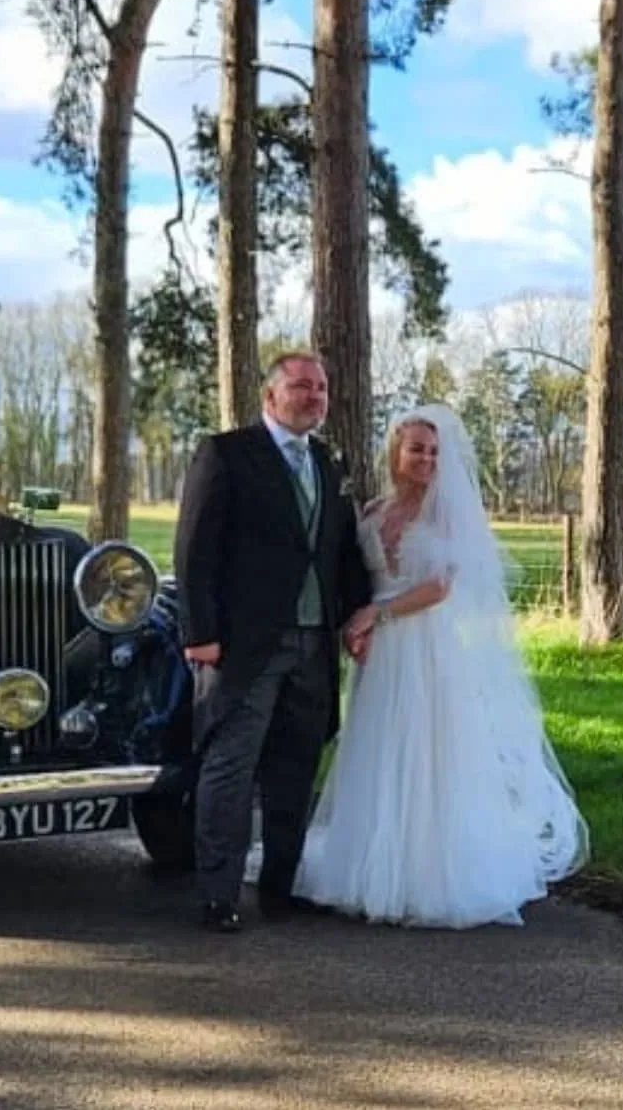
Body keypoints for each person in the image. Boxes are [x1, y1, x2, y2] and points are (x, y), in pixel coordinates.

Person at [293, 404, 589, 927]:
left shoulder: (447, 512)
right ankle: (370, 864)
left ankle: (427, 871)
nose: (426, 459)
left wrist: (376, 615)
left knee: (427, 749)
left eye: (434, 452)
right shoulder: (372, 510)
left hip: (426, 644)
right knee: (379, 747)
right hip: (379, 650)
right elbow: (356, 577)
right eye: (416, 449)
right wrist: (355, 625)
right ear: (395, 452)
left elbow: (439, 587)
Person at [174, 351, 372, 933]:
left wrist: (357, 613)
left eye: (322, 388)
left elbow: (339, 552)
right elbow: (194, 550)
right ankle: (218, 894)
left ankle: (281, 889)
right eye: (301, 386)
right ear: (270, 396)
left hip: (313, 646)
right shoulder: (227, 454)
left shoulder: (329, 463)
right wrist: (200, 635)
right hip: (244, 646)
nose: (314, 396)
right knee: (230, 769)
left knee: (295, 771)